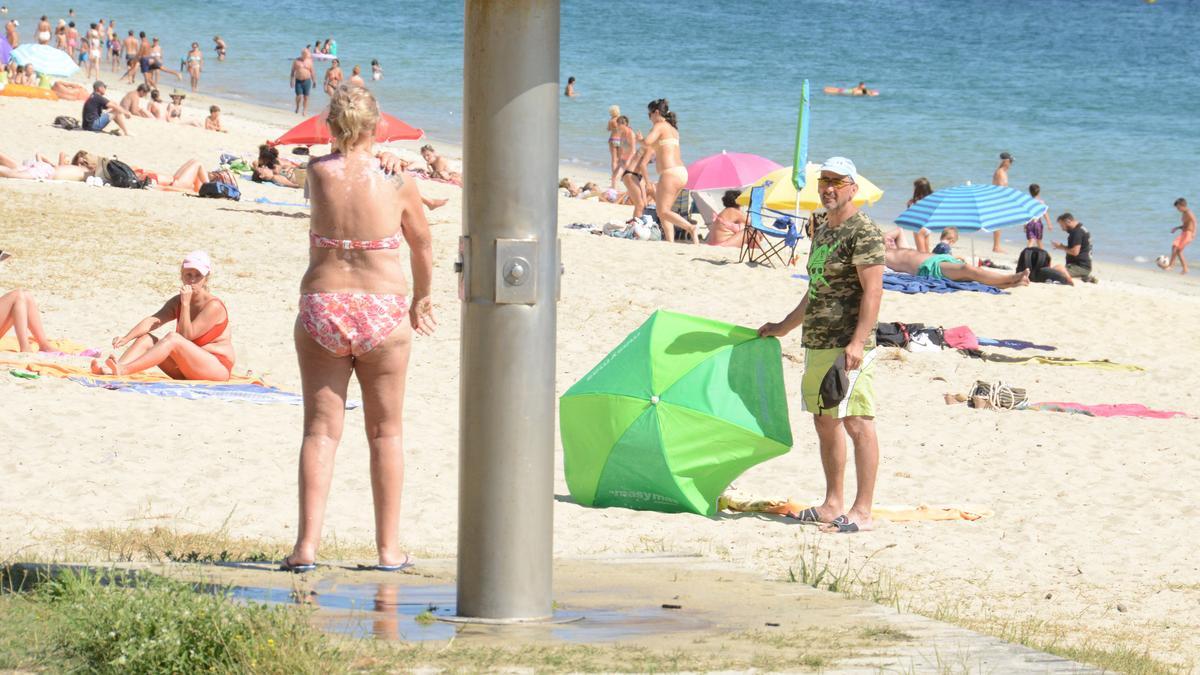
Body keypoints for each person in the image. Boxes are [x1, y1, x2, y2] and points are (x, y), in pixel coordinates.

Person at [281, 84, 435, 573]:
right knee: (385, 434)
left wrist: (364, 150)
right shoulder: (398, 181)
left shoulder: (316, 173)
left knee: (320, 433)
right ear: (378, 127)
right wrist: (422, 297)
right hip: (382, 309)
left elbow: (340, 163)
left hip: (323, 304)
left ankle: (306, 547)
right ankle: (388, 550)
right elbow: (423, 245)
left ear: (331, 126)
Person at [758, 157, 885, 534]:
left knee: (857, 422)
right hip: (817, 340)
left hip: (848, 343)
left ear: (853, 187)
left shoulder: (864, 231)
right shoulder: (823, 229)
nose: (828, 187)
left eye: (837, 181)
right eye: (823, 180)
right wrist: (783, 327)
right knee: (824, 422)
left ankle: (862, 510)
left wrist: (858, 342)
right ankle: (833, 504)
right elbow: (815, 291)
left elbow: (874, 291)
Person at [91, 251, 235, 380]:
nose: (192, 280)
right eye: (188, 275)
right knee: (146, 339)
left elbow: (185, 337)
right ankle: (112, 370)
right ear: (182, 276)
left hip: (216, 369)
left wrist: (185, 304)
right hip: (187, 368)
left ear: (206, 278)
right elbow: (153, 320)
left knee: (173, 338)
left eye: (198, 276)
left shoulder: (213, 306)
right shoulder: (177, 301)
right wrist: (126, 338)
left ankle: (124, 370)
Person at [884, 229, 1030, 288]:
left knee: (970, 273)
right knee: (968, 269)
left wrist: (883, 238)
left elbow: (899, 231)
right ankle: (1011, 278)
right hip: (928, 267)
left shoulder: (898, 248)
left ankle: (1009, 282)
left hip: (940, 259)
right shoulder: (882, 254)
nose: (889, 240)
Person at [637, 99, 697, 243]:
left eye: (649, 114)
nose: (649, 118)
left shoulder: (660, 125)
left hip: (670, 173)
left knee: (662, 211)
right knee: (665, 211)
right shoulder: (673, 129)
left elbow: (647, 142)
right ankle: (670, 242)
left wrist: (639, 139)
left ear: (656, 112)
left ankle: (690, 227)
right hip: (681, 172)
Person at [1052, 212, 1096, 282]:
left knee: (1053, 272)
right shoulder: (1081, 229)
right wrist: (1062, 246)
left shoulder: (1077, 232)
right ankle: (1084, 276)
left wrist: (1062, 247)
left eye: (1062, 225)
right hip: (1083, 266)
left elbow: (1075, 252)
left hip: (1080, 267)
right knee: (1055, 270)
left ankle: (1083, 276)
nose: (1062, 229)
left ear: (1068, 222)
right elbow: (1080, 249)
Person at [0, 150, 93, 181]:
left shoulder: (71, 168)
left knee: (15, 168)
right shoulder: (79, 171)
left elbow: (62, 154)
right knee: (12, 174)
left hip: (43, 168)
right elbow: (62, 153)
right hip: (46, 171)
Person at [1164, 198, 1195, 275]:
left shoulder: (1188, 212)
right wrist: (1177, 228)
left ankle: (1172, 266)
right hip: (1184, 233)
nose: (1177, 209)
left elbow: (1194, 222)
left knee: (1178, 250)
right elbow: (1186, 225)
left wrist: (1193, 233)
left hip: (1188, 233)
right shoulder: (1184, 213)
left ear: (1182, 205)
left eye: (1178, 207)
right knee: (1175, 247)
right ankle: (1183, 268)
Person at [991, 152, 1013, 253]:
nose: (1011, 164)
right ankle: (996, 247)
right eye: (1010, 162)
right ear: (1006, 162)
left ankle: (996, 246)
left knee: (999, 223)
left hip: (999, 200)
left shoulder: (1002, 172)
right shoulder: (1000, 172)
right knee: (998, 223)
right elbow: (1000, 189)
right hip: (998, 200)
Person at [908, 177, 935, 252]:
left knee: (921, 252)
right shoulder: (933, 198)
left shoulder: (917, 201)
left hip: (919, 227)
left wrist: (909, 206)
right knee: (927, 251)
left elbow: (912, 215)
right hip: (928, 227)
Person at [1025, 184, 1051, 249]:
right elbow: (1045, 213)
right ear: (1039, 192)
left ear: (1029, 191)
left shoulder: (1027, 202)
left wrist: (1024, 225)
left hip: (1029, 223)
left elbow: (1026, 214)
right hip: (1038, 224)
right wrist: (1049, 223)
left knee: (1031, 241)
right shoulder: (1041, 202)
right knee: (1039, 241)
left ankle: (1026, 255)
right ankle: (1043, 256)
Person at [290, 49, 314, 115]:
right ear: (302, 54)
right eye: (305, 54)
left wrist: (314, 81)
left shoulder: (310, 61)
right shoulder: (296, 61)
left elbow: (312, 72)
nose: (306, 55)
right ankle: (297, 106)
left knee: (306, 97)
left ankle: (304, 110)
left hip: (307, 80)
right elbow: (292, 71)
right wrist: (291, 80)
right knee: (299, 96)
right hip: (298, 81)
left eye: (307, 54)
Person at [606, 105, 622, 188]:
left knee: (613, 160)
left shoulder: (611, 121)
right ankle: (619, 175)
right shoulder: (621, 119)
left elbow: (608, 129)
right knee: (620, 159)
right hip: (620, 140)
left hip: (612, 139)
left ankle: (614, 176)